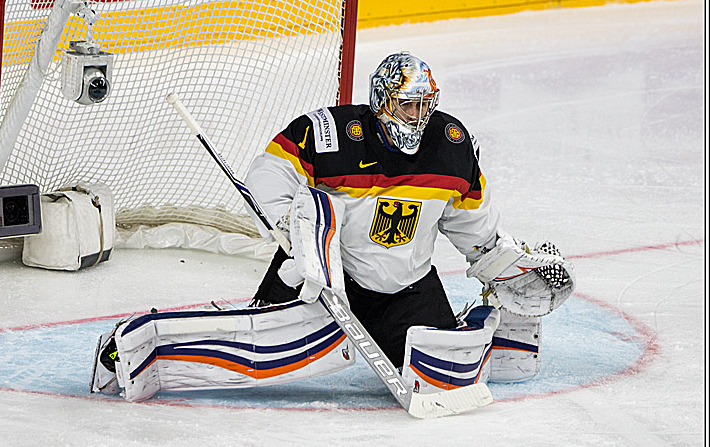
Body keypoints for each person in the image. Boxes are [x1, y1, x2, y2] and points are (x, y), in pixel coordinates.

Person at [245, 51, 572, 384]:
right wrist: (291, 228)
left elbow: (473, 225)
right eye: (407, 104)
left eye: (425, 104)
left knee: (444, 376)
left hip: (404, 290)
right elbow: (269, 175)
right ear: (382, 100)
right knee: (272, 342)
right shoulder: (328, 135)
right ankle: (271, 312)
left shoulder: (451, 146)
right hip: (325, 283)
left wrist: (504, 262)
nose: (418, 117)